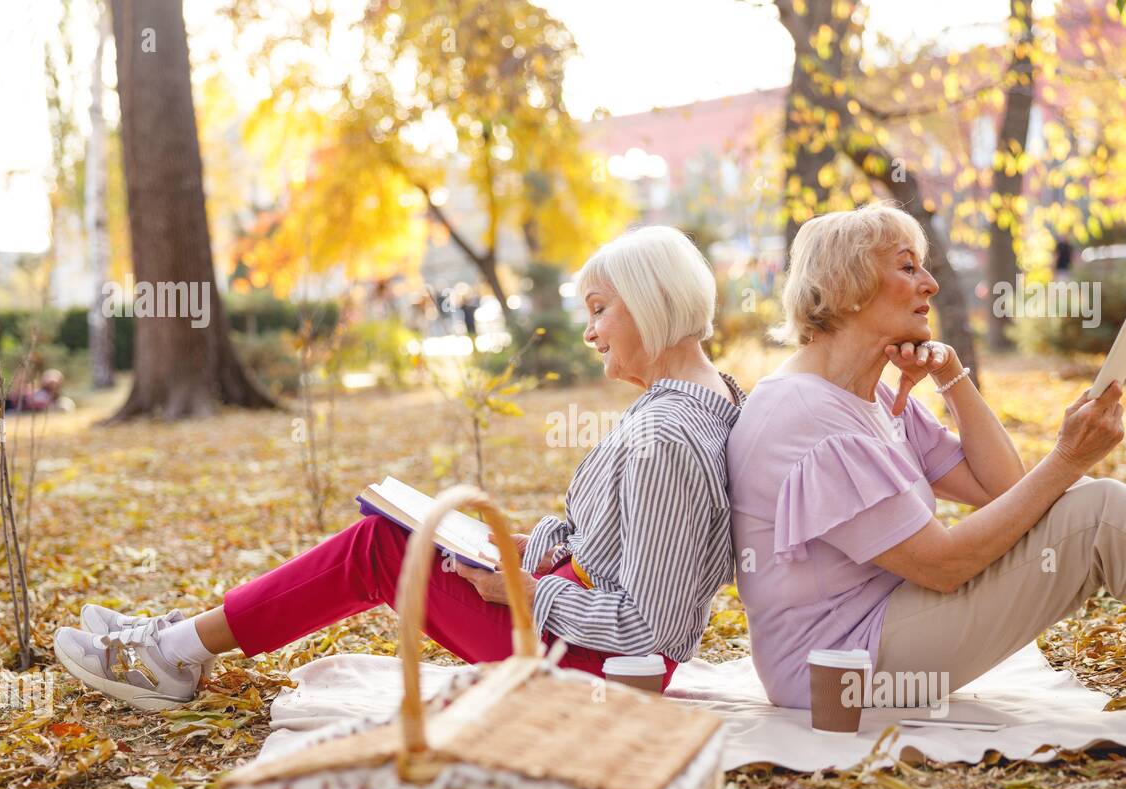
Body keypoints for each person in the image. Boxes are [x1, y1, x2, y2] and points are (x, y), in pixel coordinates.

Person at [55, 226, 746, 711]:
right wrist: (513, 554)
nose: (590, 331)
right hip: (567, 624)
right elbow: (622, 555)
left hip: (590, 662)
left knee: (380, 547)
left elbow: (655, 630)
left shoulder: (665, 434)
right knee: (405, 532)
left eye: (600, 310)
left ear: (652, 304)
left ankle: (172, 654)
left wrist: (523, 592)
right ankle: (176, 640)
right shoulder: (703, 403)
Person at [727, 201, 1126, 710]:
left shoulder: (876, 395)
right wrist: (1068, 459)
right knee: (1097, 512)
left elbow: (1001, 486)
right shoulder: (808, 415)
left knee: (1093, 504)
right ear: (847, 289)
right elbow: (944, 566)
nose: (929, 283)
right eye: (907, 268)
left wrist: (951, 377)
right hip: (835, 670)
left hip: (884, 626)